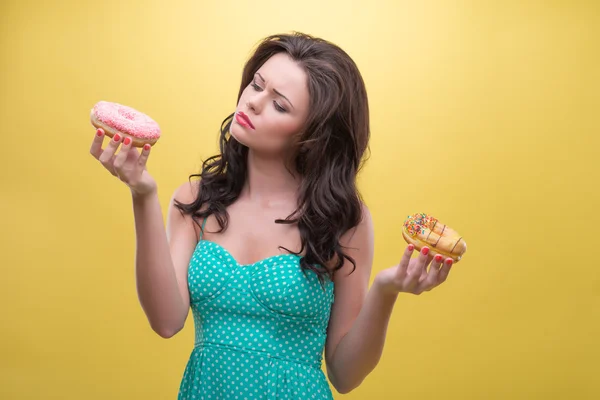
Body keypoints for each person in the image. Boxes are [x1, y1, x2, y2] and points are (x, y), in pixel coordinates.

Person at [89, 32, 454, 399]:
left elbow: (344, 375)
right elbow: (166, 321)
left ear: (313, 135)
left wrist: (385, 289)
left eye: (279, 105)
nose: (252, 103)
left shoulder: (345, 220)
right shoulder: (196, 200)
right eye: (256, 84)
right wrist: (142, 193)